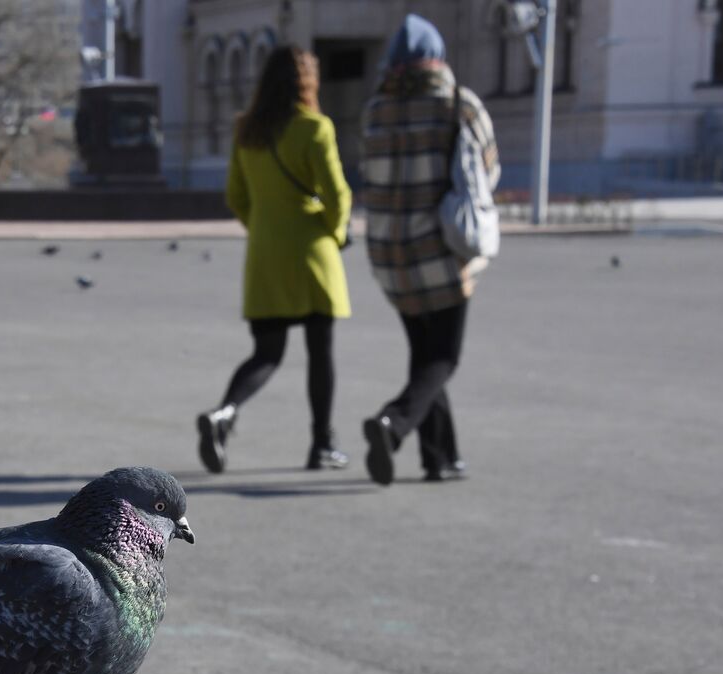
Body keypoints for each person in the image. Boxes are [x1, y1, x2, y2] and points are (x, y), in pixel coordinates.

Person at [196, 45, 353, 474]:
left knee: (267, 352)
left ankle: (224, 412)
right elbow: (338, 194)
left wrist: (263, 228)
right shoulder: (315, 128)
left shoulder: (247, 131)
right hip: (312, 253)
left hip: (265, 254)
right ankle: (322, 444)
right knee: (320, 352)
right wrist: (336, 232)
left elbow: (236, 196)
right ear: (308, 81)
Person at [359, 14, 499, 485]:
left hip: (390, 258)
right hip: (441, 254)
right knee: (444, 358)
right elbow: (486, 174)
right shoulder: (459, 104)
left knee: (424, 353)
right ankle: (393, 423)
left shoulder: (375, 109)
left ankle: (441, 457)